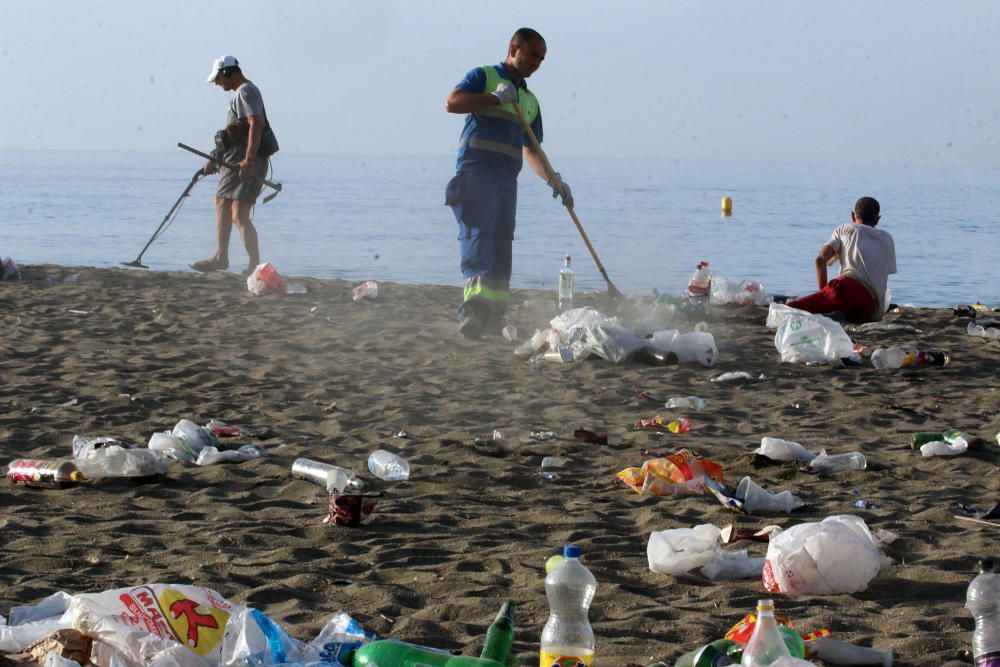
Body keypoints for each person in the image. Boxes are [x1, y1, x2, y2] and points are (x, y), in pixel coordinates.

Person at [444, 28, 573, 339]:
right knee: (478, 237)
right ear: (514, 48)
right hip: (476, 173)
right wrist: (494, 98)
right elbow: (452, 103)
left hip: (506, 180)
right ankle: (474, 311)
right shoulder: (485, 77)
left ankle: (495, 312)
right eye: (533, 55)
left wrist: (553, 179)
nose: (537, 63)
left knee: (502, 244)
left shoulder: (529, 101)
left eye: (542, 59)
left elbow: (532, 149)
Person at [192, 55, 277, 277]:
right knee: (224, 203)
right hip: (238, 158)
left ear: (229, 73)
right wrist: (215, 156)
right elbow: (236, 131)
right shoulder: (243, 93)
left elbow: (255, 123)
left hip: (245, 159)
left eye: (219, 78)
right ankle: (224, 258)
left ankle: (250, 265)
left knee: (238, 214)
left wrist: (248, 159)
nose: (218, 83)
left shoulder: (245, 91)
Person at [787, 196, 896, 323]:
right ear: (877, 219)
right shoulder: (887, 239)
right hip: (869, 307)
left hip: (845, 290)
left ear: (853, 215)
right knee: (850, 316)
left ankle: (830, 315)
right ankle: (836, 316)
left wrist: (824, 293)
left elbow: (819, 261)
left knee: (791, 309)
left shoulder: (845, 229)